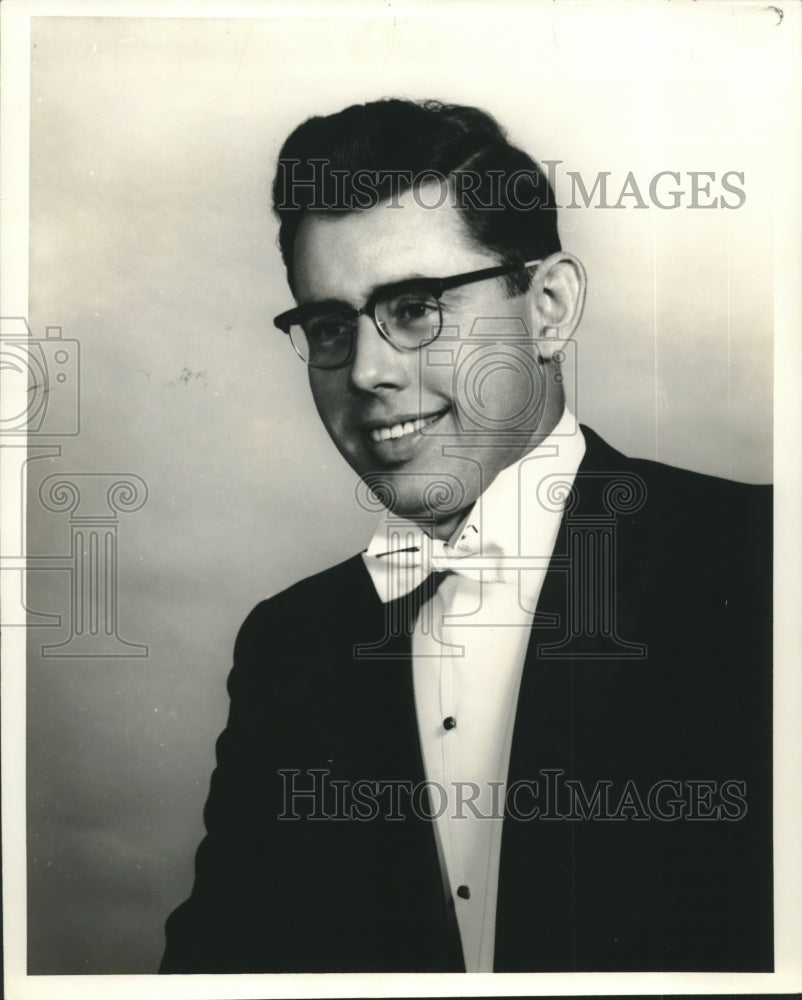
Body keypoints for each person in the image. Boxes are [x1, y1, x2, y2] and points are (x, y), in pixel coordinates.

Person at [159, 99, 773, 974]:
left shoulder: (760, 561)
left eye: (415, 307)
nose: (368, 371)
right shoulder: (290, 643)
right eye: (331, 326)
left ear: (549, 306)